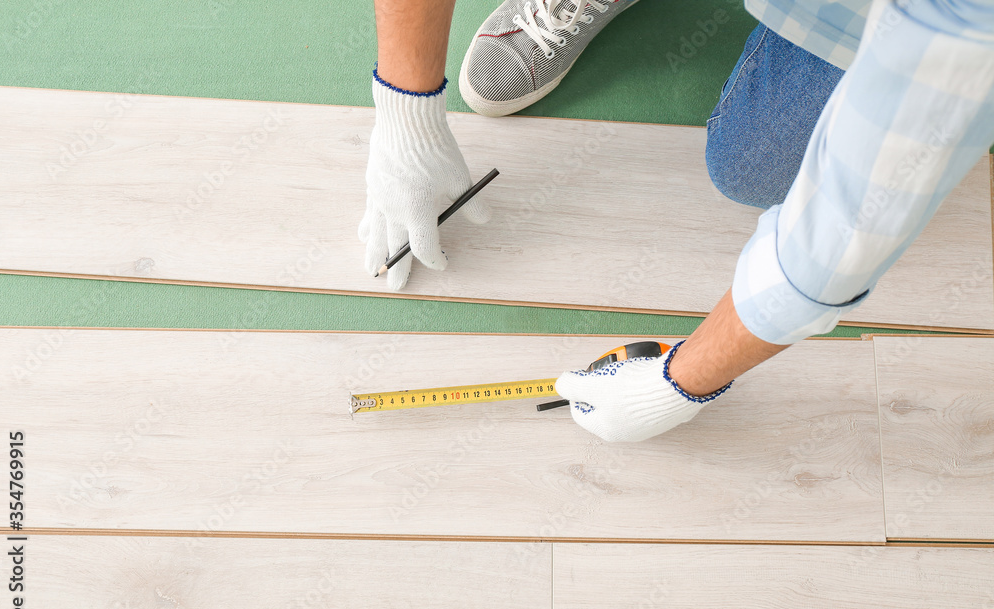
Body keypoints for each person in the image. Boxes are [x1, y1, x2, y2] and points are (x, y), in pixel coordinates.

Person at [360, 0, 994, 442]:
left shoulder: (955, 27)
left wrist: (682, 382)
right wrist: (405, 113)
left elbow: (840, 233)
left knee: (755, 163)